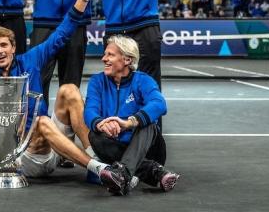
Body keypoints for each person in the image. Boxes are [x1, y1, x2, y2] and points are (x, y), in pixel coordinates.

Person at [0, 0, 103, 174]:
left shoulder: (30, 60)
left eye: (4, 45)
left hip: (51, 141)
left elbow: (63, 31)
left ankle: (96, 156)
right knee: (41, 121)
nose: (0, 51)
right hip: (26, 154)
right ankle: (99, 169)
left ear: (13, 47)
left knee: (69, 90)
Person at [96, 0, 197, 164]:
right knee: (113, 91)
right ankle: (119, 153)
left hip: (144, 28)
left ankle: (152, 158)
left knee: (150, 91)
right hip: (115, 31)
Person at [31, 35, 180, 196]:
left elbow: (159, 104)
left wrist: (130, 122)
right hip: (113, 149)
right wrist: (101, 124)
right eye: (105, 54)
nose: (104, 59)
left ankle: (122, 174)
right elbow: (90, 112)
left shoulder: (143, 81)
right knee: (95, 135)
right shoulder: (97, 81)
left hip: (148, 150)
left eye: (110, 55)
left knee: (149, 124)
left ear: (128, 60)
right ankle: (150, 172)